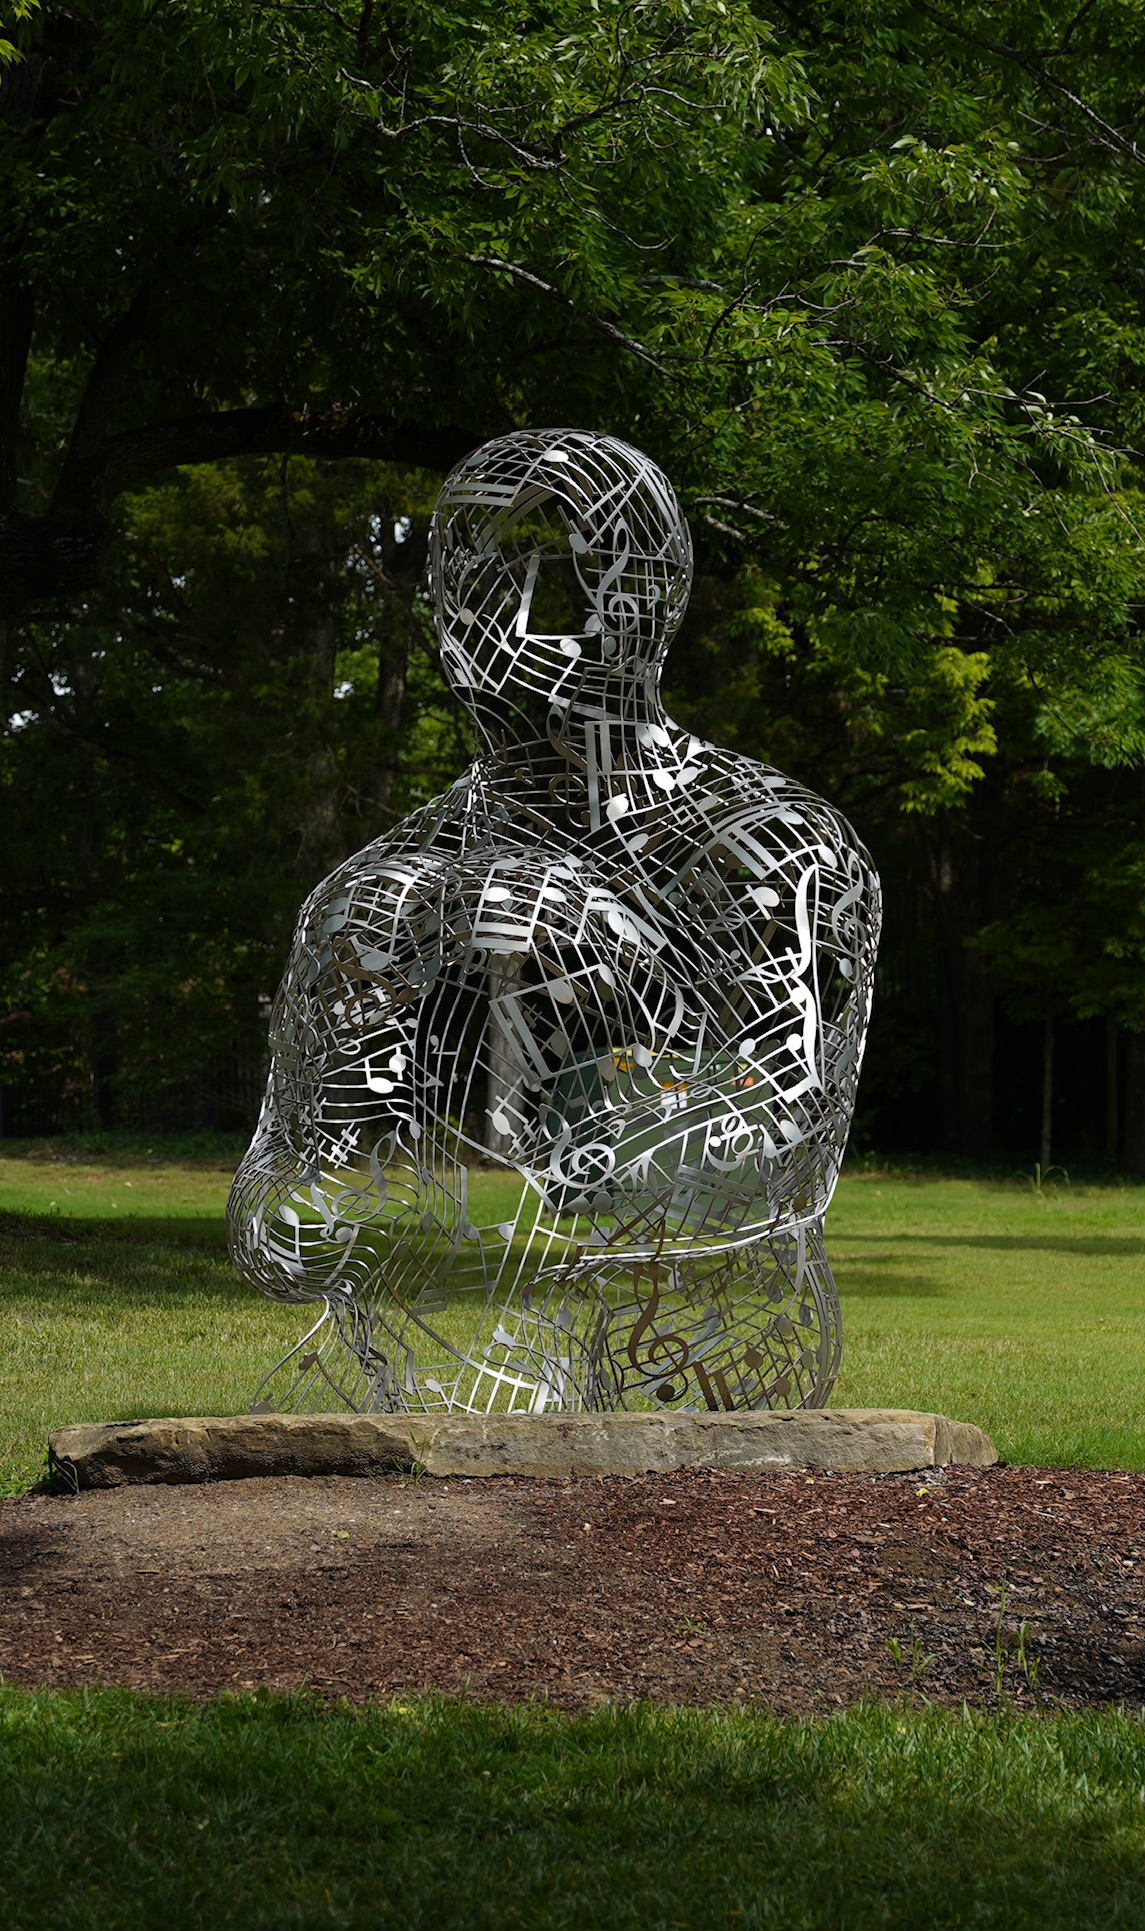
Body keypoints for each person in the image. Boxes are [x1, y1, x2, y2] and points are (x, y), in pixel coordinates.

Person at [228, 431, 880, 1413]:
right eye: (477, 598)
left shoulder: (766, 846)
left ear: (651, 608)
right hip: (451, 1403)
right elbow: (278, 1243)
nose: (506, 647)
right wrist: (336, 1116)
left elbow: (775, 1175)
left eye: (566, 594)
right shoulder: (384, 890)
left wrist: (613, 971)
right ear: (444, 622)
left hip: (697, 1381)